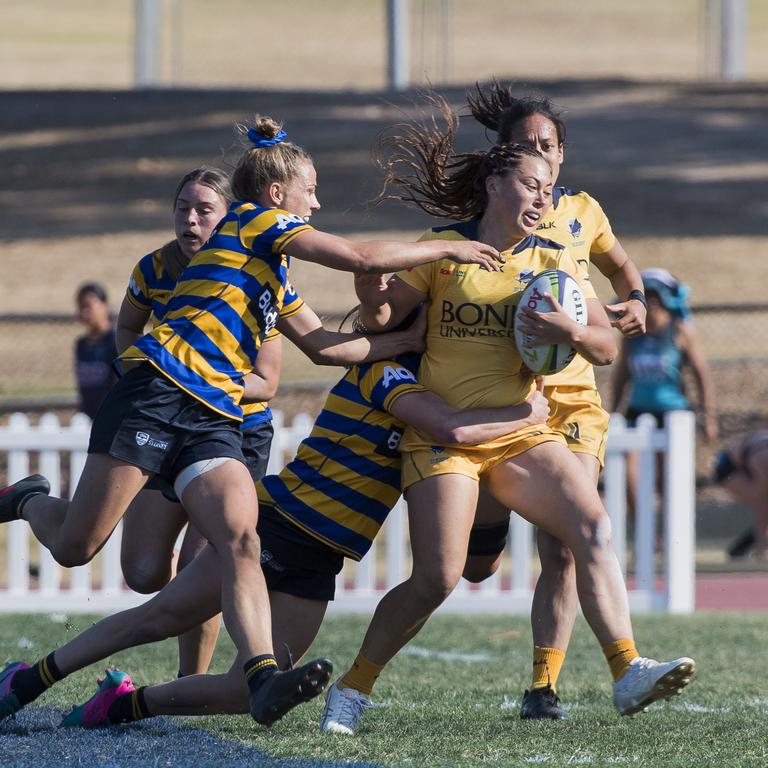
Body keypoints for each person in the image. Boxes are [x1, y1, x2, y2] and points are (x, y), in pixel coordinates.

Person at [0, 116, 501, 727]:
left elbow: (323, 347)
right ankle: (27, 501)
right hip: (158, 393)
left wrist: (405, 339)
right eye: (310, 189)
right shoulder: (251, 221)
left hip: (216, 416)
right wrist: (450, 245)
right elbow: (360, 256)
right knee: (79, 546)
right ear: (275, 196)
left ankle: (260, 676)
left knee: (240, 535)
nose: (316, 201)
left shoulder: (273, 270)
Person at [320, 95, 695, 735]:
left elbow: (606, 348)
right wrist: (373, 295)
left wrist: (569, 328)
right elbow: (384, 320)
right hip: (447, 436)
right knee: (438, 577)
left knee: (591, 528)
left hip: (524, 430)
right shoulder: (441, 250)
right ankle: (353, 688)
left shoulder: (550, 259)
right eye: (530, 183)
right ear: (495, 184)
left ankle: (626, 668)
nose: (543, 196)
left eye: (549, 186)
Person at [0, 333, 550, 727]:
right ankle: (29, 680)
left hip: (321, 560)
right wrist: (529, 414)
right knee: (159, 616)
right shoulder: (391, 373)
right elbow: (449, 427)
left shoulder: (448, 392)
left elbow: (465, 440)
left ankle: (126, 703)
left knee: (248, 689)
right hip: (279, 524)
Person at [462, 82, 651, 719]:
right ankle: (482, 535)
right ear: (501, 159)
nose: (538, 154)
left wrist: (636, 304)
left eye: (547, 145)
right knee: (477, 565)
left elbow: (623, 272)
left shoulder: (583, 212)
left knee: (565, 542)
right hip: (505, 398)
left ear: (562, 155)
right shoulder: (491, 221)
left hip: (572, 402)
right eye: (524, 146)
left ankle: (545, 686)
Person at [115, 166, 281, 678]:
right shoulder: (155, 268)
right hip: (167, 420)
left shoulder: (256, 269)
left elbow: (267, 380)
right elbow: (126, 326)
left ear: (229, 217)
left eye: (204, 210)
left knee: (201, 567)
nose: (190, 219)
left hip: (235, 430)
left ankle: (189, 684)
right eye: (182, 207)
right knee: (142, 572)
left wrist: (202, 380)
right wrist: (141, 374)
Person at [611, 268, 718, 516]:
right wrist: (612, 413)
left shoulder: (680, 331)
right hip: (636, 409)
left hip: (672, 411)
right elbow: (621, 376)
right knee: (629, 471)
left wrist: (709, 416)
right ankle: (644, 530)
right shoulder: (631, 335)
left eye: (655, 298)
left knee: (666, 477)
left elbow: (702, 375)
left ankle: (670, 528)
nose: (651, 304)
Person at [713, 431, 768, 561]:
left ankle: (740, 549)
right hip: (728, 467)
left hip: (748, 459)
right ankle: (757, 547)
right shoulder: (764, 461)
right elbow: (761, 502)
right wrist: (762, 550)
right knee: (764, 502)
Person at [74, 282, 117, 420]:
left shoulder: (116, 342)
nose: (84, 312)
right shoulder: (81, 345)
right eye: (81, 306)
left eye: (88, 306)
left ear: (105, 306)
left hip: (112, 418)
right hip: (88, 419)